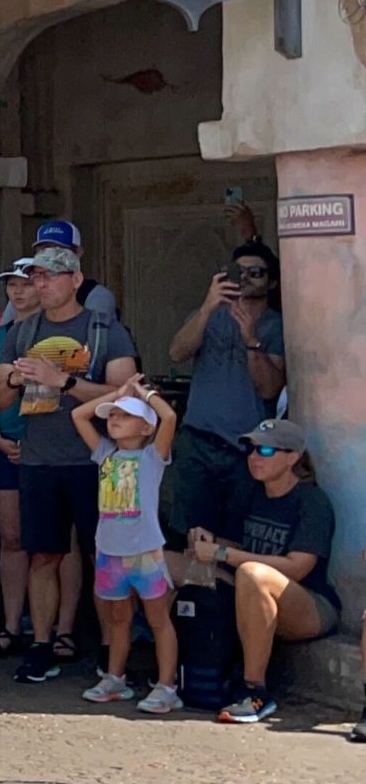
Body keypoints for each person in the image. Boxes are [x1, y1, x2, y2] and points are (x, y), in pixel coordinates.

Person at [0, 244, 139, 685]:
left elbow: (128, 396)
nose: (42, 284)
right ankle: (41, 644)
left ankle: (113, 650)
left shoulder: (105, 329)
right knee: (43, 556)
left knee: (106, 557)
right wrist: (17, 379)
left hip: (99, 462)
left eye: (52, 276)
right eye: (37, 276)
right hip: (39, 460)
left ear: (76, 280)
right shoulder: (22, 331)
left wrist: (65, 382)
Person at [194, 420, 339, 725]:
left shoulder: (312, 501)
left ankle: (256, 692)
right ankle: (181, 676)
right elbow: (243, 546)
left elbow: (298, 567)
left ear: (292, 457)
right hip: (253, 591)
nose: (255, 456)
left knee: (252, 573)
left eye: (267, 449)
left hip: (309, 605)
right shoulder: (252, 492)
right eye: (252, 448)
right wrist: (213, 541)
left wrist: (223, 553)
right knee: (169, 563)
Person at [163, 240, 285, 550]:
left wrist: (250, 340)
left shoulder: (277, 325)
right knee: (186, 535)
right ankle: (189, 598)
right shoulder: (208, 315)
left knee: (235, 539)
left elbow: (270, 388)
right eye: (237, 271)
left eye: (255, 272)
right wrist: (207, 307)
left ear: (271, 282)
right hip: (198, 441)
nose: (245, 278)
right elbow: (176, 352)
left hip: (246, 449)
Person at [71, 380, 182, 713]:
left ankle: (167, 686)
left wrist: (144, 395)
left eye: (125, 415)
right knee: (118, 619)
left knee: (159, 619)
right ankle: (115, 678)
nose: (114, 419)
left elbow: (170, 418)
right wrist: (119, 394)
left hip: (145, 552)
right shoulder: (105, 453)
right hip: (109, 552)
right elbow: (79, 414)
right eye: (113, 415)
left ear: (146, 426)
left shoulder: (152, 456)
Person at [0, 260, 48, 659]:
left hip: (50, 448)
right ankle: (11, 623)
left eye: (25, 284)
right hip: (6, 445)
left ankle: (54, 628)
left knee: (57, 540)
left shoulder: (61, 335)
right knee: (12, 537)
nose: (18, 292)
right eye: (11, 285)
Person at [32, 220, 119, 317]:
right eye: (44, 250)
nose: (51, 256)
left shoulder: (97, 296)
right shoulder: (25, 290)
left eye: (60, 250)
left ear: (79, 252)